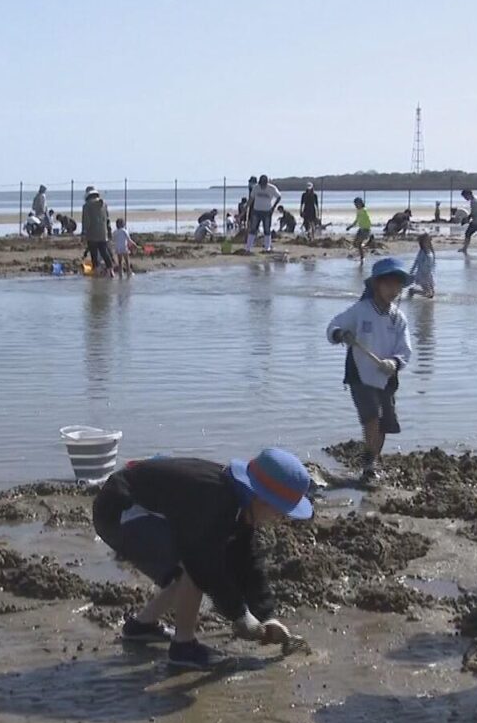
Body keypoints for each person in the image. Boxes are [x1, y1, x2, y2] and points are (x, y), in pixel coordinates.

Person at [91, 448, 312, 670]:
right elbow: (204, 565)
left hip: (141, 506)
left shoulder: (239, 503)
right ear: (260, 498)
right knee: (195, 565)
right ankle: (183, 647)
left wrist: (266, 615)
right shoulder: (214, 500)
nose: (279, 519)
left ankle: (140, 627)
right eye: (279, 511)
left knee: (192, 565)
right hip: (118, 509)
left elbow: (246, 561)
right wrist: (239, 614)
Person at [327, 257, 414, 485]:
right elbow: (333, 325)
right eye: (389, 284)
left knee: (384, 423)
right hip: (360, 374)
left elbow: (405, 349)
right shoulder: (361, 310)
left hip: (386, 377)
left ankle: (371, 461)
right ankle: (368, 466)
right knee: (372, 418)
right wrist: (340, 334)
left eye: (398, 285)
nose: (394, 290)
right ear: (377, 285)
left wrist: (394, 363)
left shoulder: (398, 318)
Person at [81, 188, 113, 276]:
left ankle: (96, 273)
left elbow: (86, 221)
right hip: (103, 234)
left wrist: (83, 233)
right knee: (104, 252)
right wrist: (109, 231)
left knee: (94, 254)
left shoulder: (87, 206)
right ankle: (111, 272)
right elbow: (107, 220)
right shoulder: (104, 205)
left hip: (92, 234)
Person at [247, 175, 281, 252]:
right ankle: (248, 247)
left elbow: (279, 196)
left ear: (266, 182)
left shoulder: (272, 188)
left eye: (263, 183)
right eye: (261, 183)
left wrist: (273, 207)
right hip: (256, 211)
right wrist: (246, 208)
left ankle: (267, 247)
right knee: (253, 229)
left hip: (267, 211)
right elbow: (251, 199)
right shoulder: (256, 188)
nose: (262, 185)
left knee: (267, 229)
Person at [408, 232, 436, 298]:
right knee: (429, 294)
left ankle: (413, 291)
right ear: (422, 243)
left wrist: (433, 272)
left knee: (432, 293)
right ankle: (413, 291)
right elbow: (416, 262)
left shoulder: (431, 251)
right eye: (425, 241)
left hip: (429, 274)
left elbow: (433, 263)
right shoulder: (422, 252)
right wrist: (411, 272)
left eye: (428, 241)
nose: (426, 243)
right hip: (422, 275)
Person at [346, 197, 374, 261]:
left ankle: (362, 257)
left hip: (365, 230)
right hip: (361, 229)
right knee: (355, 243)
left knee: (358, 243)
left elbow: (368, 220)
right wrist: (350, 227)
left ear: (361, 203)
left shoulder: (364, 210)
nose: (356, 205)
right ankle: (364, 248)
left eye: (357, 204)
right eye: (355, 204)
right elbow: (356, 220)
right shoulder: (358, 211)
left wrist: (368, 228)